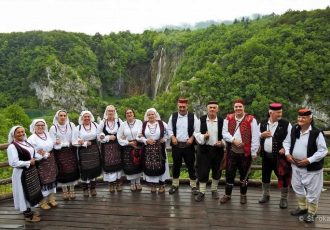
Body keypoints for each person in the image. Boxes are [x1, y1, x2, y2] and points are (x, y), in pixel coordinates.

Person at [284, 108, 328, 223]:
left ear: (310, 119)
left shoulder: (316, 132)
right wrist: (288, 154)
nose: (300, 119)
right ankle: (303, 207)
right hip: (295, 165)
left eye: (303, 117)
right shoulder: (294, 129)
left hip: (311, 168)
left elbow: (323, 151)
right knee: (297, 187)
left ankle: (312, 213)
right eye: (299, 117)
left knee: (313, 191)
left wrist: (309, 160)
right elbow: (286, 142)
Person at [220, 99, 260, 204]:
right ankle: (227, 195)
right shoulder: (228, 118)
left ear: (244, 108)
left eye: (240, 106)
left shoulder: (251, 119)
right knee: (229, 174)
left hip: (245, 153)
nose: (238, 108)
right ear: (234, 108)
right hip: (232, 151)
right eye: (236, 107)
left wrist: (254, 152)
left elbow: (255, 137)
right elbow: (224, 133)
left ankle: (243, 195)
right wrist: (233, 140)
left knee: (244, 174)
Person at [258, 103, 292, 208]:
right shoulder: (263, 123)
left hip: (280, 157)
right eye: (278, 112)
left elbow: (291, 139)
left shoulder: (286, 124)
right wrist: (261, 135)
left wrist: (285, 148)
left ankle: (284, 198)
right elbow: (255, 137)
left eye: (281, 112)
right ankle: (266, 195)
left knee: (283, 177)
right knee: (265, 176)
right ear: (270, 112)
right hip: (266, 156)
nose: (280, 114)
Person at [7, 126, 42, 222]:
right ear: (13, 134)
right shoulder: (12, 146)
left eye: (22, 132)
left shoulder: (26, 142)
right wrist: (28, 162)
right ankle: (28, 215)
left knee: (29, 192)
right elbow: (13, 163)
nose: (21, 134)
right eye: (18, 132)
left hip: (30, 172)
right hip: (21, 173)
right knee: (23, 193)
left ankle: (29, 210)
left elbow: (32, 154)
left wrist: (40, 156)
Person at [194, 101, 225, 202]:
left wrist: (222, 143)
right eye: (210, 107)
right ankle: (202, 192)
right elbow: (196, 133)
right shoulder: (201, 120)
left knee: (217, 170)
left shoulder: (222, 121)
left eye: (214, 108)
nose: (212, 109)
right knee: (202, 170)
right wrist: (204, 136)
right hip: (204, 149)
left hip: (218, 149)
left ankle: (214, 189)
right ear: (207, 109)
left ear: (217, 109)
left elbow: (226, 135)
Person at [167, 98, 199, 195]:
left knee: (190, 165)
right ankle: (175, 185)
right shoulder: (173, 116)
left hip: (188, 146)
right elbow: (169, 129)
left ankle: (193, 186)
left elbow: (197, 129)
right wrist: (172, 137)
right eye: (180, 106)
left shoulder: (193, 116)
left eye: (183, 107)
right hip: (177, 146)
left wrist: (192, 138)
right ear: (178, 106)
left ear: (187, 106)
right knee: (176, 165)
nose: (181, 108)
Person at [137, 108, 170, 193]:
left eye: (152, 114)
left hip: (160, 149)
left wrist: (165, 138)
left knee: (161, 165)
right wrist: (146, 140)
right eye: (149, 114)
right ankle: (153, 185)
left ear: (156, 115)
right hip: (148, 150)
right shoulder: (144, 125)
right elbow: (138, 137)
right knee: (150, 166)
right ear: (147, 116)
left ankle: (162, 184)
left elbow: (169, 132)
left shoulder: (162, 123)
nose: (151, 116)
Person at [49, 110, 80, 201]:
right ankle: (65, 190)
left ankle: (72, 189)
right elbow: (52, 142)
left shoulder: (71, 125)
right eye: (61, 115)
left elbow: (75, 137)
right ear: (57, 117)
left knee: (72, 169)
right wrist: (58, 143)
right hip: (60, 152)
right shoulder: (53, 128)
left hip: (71, 150)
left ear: (66, 116)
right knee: (63, 170)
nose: (62, 117)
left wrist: (74, 141)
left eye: (64, 115)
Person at [28, 119, 58, 210]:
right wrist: (43, 155)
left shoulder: (47, 134)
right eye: (38, 125)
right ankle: (42, 201)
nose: (40, 127)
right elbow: (32, 151)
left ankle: (51, 199)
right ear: (34, 127)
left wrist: (54, 143)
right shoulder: (31, 138)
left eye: (42, 125)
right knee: (43, 181)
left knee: (52, 179)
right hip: (41, 162)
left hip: (51, 159)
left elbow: (51, 144)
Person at [74, 110, 102, 197]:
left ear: (91, 117)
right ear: (82, 118)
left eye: (88, 116)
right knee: (84, 170)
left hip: (94, 149)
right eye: (85, 117)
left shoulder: (95, 125)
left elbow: (100, 135)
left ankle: (93, 188)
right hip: (83, 152)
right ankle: (85, 189)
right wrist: (82, 143)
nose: (86, 118)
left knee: (94, 168)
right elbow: (74, 141)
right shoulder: (77, 128)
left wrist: (102, 136)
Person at [97, 105, 123, 193]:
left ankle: (118, 182)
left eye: (112, 111)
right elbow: (98, 136)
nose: (111, 112)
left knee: (118, 163)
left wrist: (118, 137)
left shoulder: (119, 121)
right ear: (106, 112)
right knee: (109, 164)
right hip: (106, 147)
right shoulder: (102, 122)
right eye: (109, 111)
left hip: (117, 147)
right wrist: (107, 138)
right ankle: (111, 184)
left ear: (115, 112)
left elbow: (124, 131)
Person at [117, 108, 143, 191]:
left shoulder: (139, 122)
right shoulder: (123, 125)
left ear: (133, 113)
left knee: (138, 164)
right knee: (130, 166)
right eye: (127, 113)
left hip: (137, 145)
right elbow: (119, 137)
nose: (129, 114)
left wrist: (136, 140)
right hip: (127, 146)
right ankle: (132, 183)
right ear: (125, 115)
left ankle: (138, 182)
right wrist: (128, 142)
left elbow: (140, 132)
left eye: (130, 112)